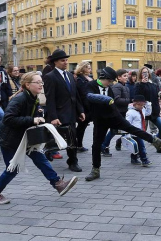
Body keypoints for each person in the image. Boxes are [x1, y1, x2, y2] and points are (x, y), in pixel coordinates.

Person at [0, 72, 78, 204]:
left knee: (41, 160)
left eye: (41, 82)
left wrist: (39, 115)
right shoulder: (20, 99)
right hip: (10, 140)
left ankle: (58, 184)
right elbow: (8, 119)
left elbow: (31, 117)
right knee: (12, 170)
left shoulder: (34, 98)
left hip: (26, 138)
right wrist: (32, 119)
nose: (41, 84)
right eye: (38, 82)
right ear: (27, 85)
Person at [84, 67, 161, 181]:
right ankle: (95, 170)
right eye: (109, 81)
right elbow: (89, 96)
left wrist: (119, 114)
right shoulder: (91, 85)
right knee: (96, 144)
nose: (110, 83)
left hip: (114, 115)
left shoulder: (110, 88)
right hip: (100, 119)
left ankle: (155, 141)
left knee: (132, 128)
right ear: (103, 78)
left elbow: (112, 102)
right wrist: (105, 98)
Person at [43, 49, 84, 172]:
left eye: (66, 60)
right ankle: (48, 152)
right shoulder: (50, 77)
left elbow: (75, 95)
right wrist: (53, 116)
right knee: (56, 137)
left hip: (71, 113)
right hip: (59, 113)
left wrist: (80, 110)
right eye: (63, 60)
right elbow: (50, 98)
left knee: (72, 137)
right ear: (55, 62)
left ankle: (72, 161)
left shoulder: (70, 75)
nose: (66, 62)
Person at [135, 66, 161, 154]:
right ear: (140, 74)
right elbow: (137, 96)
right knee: (141, 131)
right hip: (143, 111)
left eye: (146, 72)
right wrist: (142, 84)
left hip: (153, 111)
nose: (145, 74)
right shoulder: (138, 85)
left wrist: (158, 109)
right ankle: (139, 150)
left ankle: (156, 141)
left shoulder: (153, 85)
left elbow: (156, 98)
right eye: (143, 73)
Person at [101, 69, 131, 155]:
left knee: (122, 130)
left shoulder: (125, 86)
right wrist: (129, 100)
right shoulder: (117, 86)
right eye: (124, 76)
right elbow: (116, 100)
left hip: (123, 111)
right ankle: (104, 146)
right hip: (118, 112)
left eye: (127, 75)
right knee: (114, 130)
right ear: (118, 77)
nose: (126, 77)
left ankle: (116, 143)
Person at [126, 95, 153, 166]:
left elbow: (148, 113)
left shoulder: (142, 109)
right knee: (142, 147)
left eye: (143, 105)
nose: (141, 106)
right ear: (134, 104)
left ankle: (134, 158)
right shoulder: (130, 112)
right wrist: (127, 134)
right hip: (134, 133)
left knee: (136, 147)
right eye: (139, 105)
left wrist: (148, 105)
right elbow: (127, 124)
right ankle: (144, 160)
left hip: (141, 132)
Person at [74, 61, 93, 153]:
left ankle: (78, 144)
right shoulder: (80, 79)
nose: (90, 69)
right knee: (81, 126)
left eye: (90, 67)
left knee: (83, 126)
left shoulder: (89, 78)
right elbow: (83, 95)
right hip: (84, 106)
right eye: (88, 67)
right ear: (82, 68)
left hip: (88, 105)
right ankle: (78, 145)